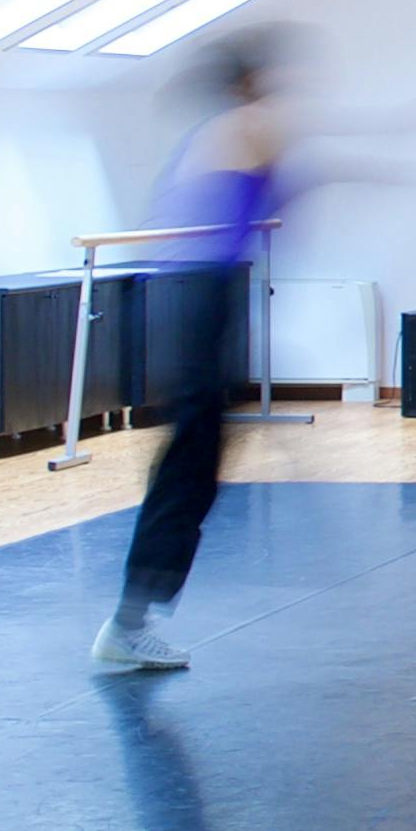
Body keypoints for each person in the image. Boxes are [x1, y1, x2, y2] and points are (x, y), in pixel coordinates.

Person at [91, 35, 290, 670]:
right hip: (203, 301)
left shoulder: (220, 133)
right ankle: (127, 623)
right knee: (188, 469)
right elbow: (294, 180)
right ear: (248, 81)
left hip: (200, 300)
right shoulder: (245, 128)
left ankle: (133, 616)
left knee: (193, 467)